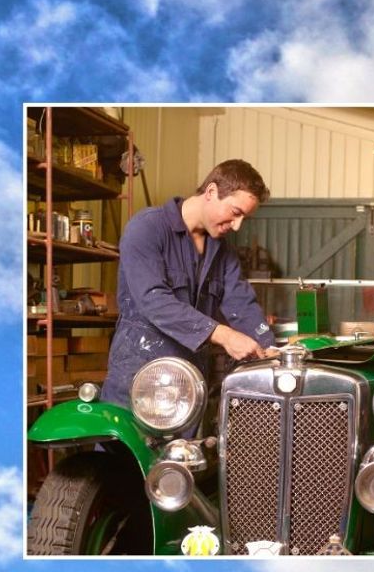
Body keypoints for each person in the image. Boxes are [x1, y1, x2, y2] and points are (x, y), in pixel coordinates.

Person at [101, 159, 276, 408]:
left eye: (244, 219)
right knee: (126, 436)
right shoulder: (146, 228)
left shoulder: (222, 251)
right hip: (139, 379)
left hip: (189, 386)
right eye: (235, 213)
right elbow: (154, 300)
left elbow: (241, 303)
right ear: (211, 191)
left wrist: (269, 348)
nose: (237, 226)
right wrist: (224, 335)